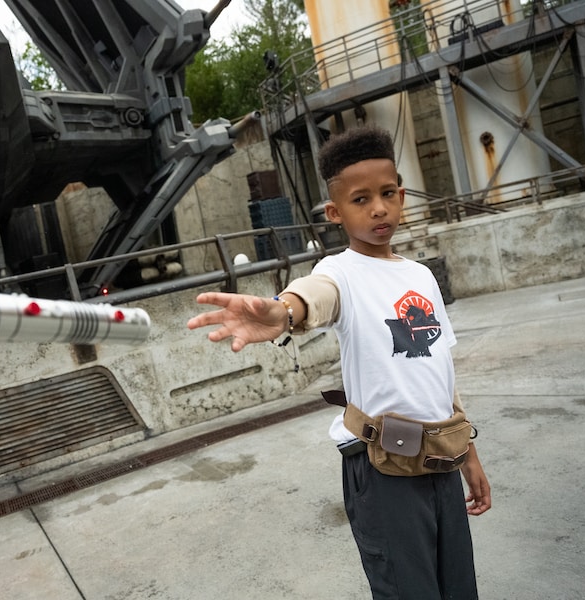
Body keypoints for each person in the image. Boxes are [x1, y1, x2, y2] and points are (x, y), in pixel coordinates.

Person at [186, 124, 491, 599]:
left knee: (459, 589)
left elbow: (441, 374)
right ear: (335, 212)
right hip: (383, 467)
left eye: (388, 193)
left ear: (402, 195)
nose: (378, 208)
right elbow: (312, 297)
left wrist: (468, 455)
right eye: (360, 199)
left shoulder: (421, 277)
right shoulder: (340, 272)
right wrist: (282, 312)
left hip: (442, 459)